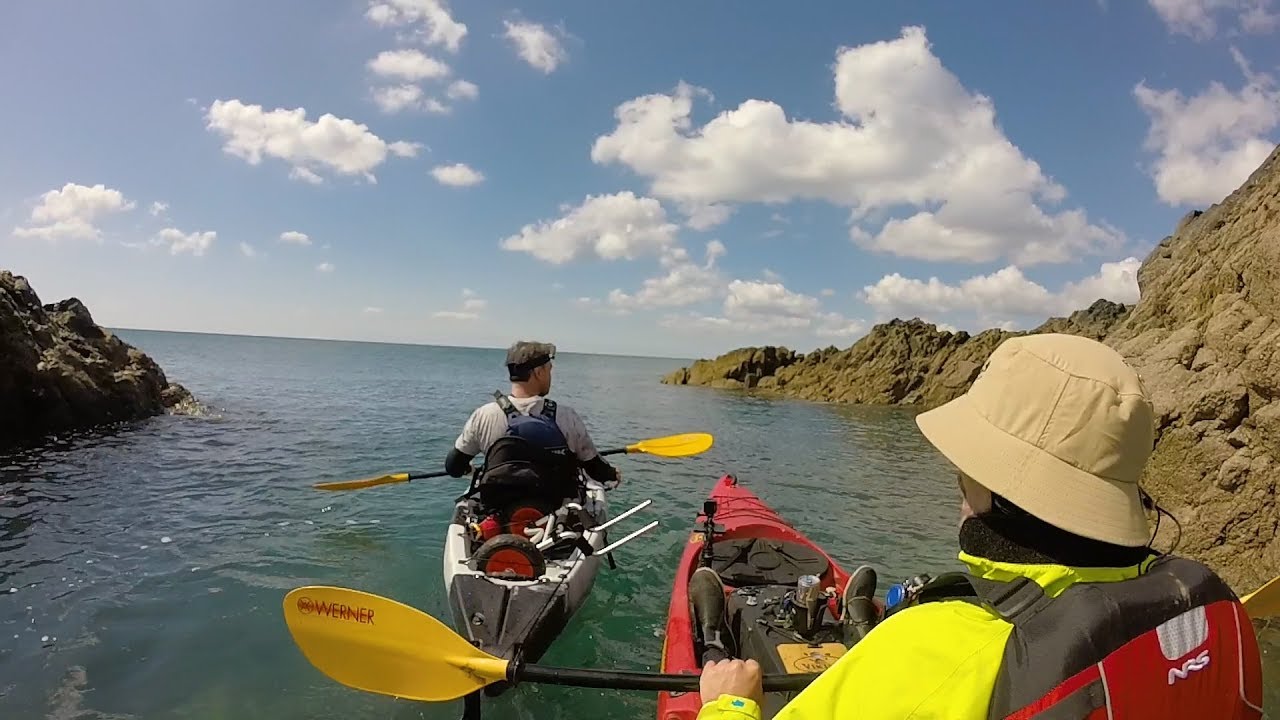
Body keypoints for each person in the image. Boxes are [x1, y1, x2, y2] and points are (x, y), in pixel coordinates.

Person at [696, 333, 1264, 719]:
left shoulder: (933, 651)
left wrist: (730, 705)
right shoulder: (1215, 613)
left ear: (994, 486)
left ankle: (735, 639)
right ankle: (857, 622)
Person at [445, 341, 620, 510]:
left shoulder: (483, 415)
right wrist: (612, 474)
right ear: (538, 372)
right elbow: (595, 468)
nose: (550, 376)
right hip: (554, 513)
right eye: (549, 370)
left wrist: (471, 470)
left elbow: (453, 467)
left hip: (499, 514)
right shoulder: (566, 416)